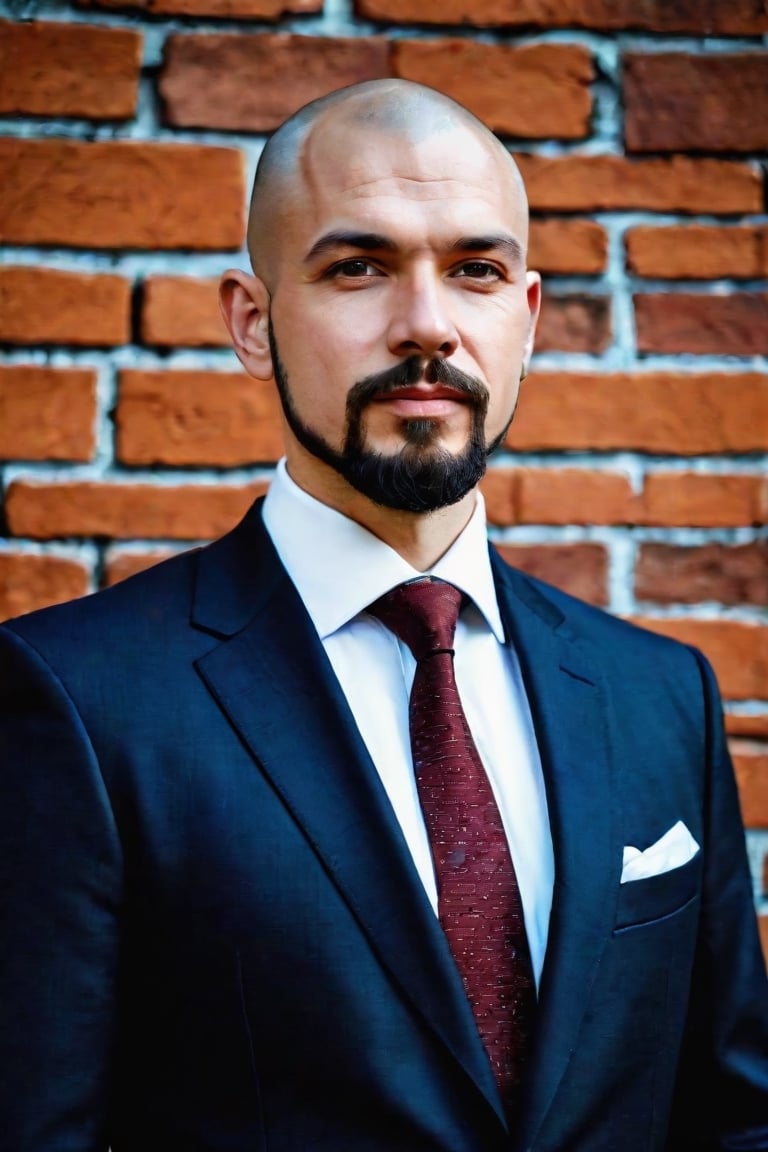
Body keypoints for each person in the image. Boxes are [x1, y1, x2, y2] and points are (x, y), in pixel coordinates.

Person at [0, 79, 766, 1152]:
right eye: (359, 268)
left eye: (476, 271)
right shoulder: (77, 701)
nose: (427, 327)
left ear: (529, 318)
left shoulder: (659, 693)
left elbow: (733, 1119)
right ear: (253, 322)